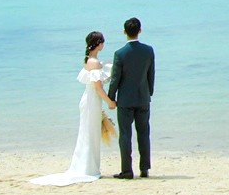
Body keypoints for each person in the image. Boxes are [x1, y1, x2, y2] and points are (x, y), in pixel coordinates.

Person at [30, 31, 117, 186]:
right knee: (89, 133)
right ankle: (88, 168)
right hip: (92, 101)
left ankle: (88, 167)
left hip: (90, 100)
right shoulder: (94, 63)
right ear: (99, 44)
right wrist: (110, 102)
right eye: (102, 42)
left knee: (88, 133)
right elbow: (98, 87)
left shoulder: (90, 61)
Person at [108, 17, 155, 179]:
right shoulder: (149, 50)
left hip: (125, 100)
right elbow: (151, 74)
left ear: (124, 32)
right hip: (143, 98)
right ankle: (145, 168)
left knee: (125, 135)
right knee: (144, 133)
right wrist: (149, 92)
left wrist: (111, 97)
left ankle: (127, 170)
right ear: (140, 31)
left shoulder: (120, 54)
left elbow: (115, 79)